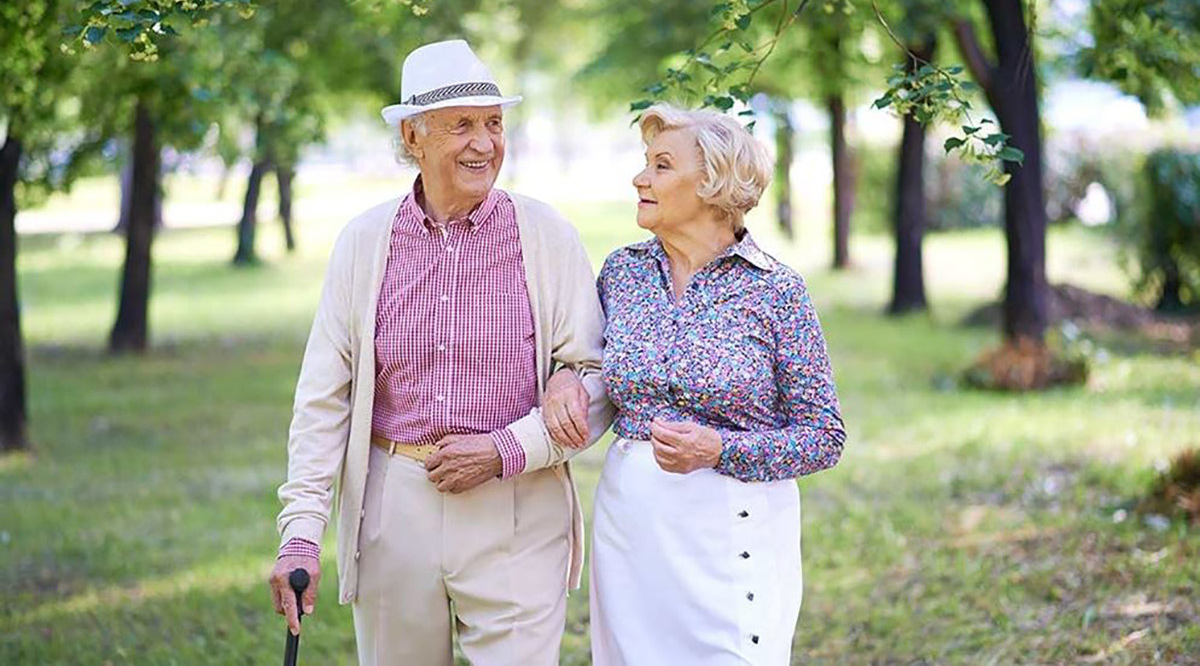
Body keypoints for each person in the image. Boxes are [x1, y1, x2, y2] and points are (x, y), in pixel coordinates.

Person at [266, 39, 611, 666]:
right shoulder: (364, 243)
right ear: (412, 137)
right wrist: (301, 535)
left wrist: (509, 447)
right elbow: (323, 400)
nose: (484, 143)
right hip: (395, 503)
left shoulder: (547, 237)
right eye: (462, 126)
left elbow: (598, 379)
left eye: (494, 123)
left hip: (518, 505)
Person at [561, 103, 847, 665]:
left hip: (734, 527)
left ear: (714, 183)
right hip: (633, 526)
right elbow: (584, 364)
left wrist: (719, 448)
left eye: (662, 165)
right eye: (645, 163)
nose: (640, 178)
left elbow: (824, 435)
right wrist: (562, 379)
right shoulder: (622, 272)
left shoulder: (775, 292)